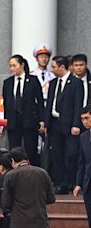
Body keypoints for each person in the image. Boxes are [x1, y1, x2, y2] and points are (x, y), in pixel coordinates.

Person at [45, 56, 84, 194]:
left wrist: (76, 124)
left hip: (69, 125)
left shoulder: (75, 83)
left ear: (62, 67)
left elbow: (78, 105)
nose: (52, 69)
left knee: (72, 154)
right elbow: (49, 103)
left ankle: (73, 182)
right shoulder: (53, 83)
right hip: (54, 124)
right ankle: (61, 183)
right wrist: (46, 122)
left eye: (54, 66)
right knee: (56, 154)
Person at [2, 54, 44, 167]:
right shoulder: (8, 82)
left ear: (22, 65)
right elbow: (5, 103)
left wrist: (41, 119)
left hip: (29, 120)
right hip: (13, 121)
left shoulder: (33, 80)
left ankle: (33, 172)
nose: (12, 68)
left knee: (31, 149)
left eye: (14, 65)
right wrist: (5, 121)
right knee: (14, 150)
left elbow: (39, 101)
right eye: (10, 66)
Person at [1, 147, 55, 228]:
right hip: (40, 222)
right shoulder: (43, 173)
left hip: (19, 223)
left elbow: (5, 204)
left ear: (12, 160)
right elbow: (51, 198)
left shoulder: (10, 176)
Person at [74, 104, 91, 227]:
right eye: (82, 119)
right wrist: (79, 183)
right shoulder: (83, 137)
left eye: (87, 118)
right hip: (88, 183)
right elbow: (81, 162)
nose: (84, 122)